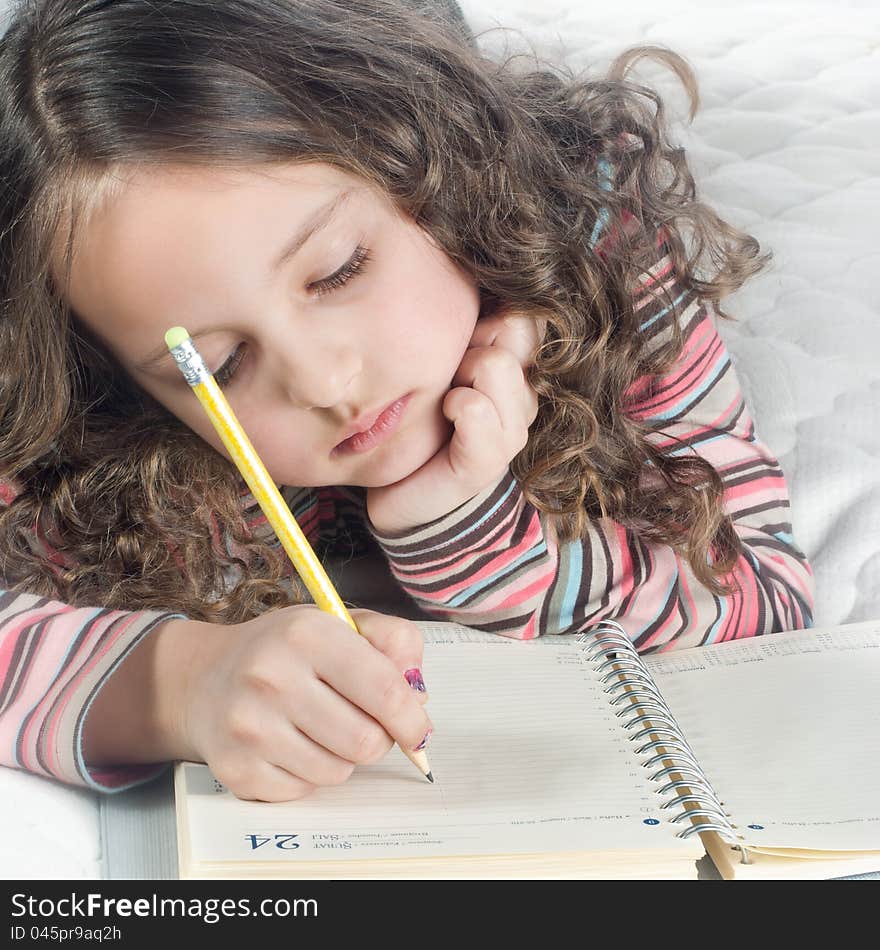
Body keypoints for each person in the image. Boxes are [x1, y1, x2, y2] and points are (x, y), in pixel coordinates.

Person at [0, 0, 814, 803]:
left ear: (438, 170)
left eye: (340, 271)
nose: (322, 384)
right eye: (219, 365)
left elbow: (768, 598)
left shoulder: (597, 238)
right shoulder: (90, 424)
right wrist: (172, 687)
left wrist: (476, 537)